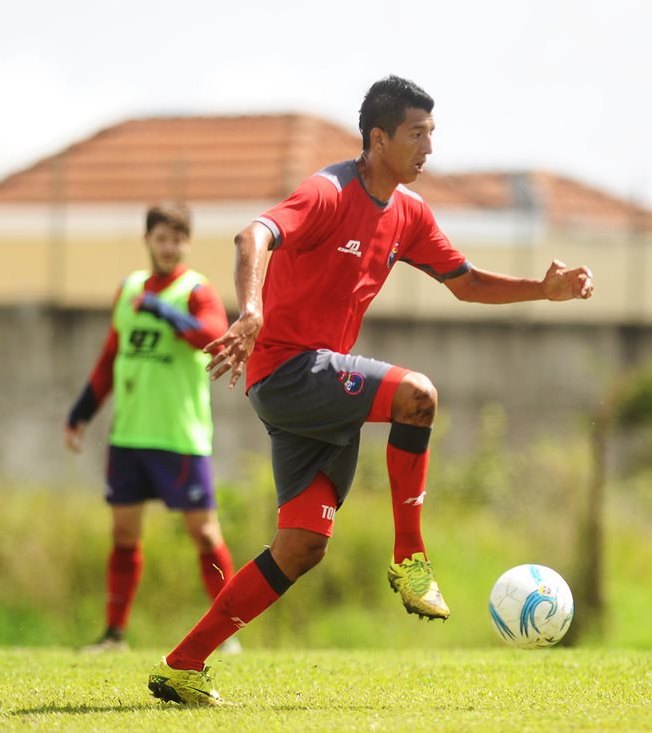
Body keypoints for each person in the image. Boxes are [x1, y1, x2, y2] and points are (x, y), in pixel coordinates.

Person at [147, 76, 593, 705]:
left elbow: (464, 283)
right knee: (418, 395)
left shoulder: (408, 213)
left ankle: (182, 665)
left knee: (301, 547)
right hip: (289, 370)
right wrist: (249, 311)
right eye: (417, 134)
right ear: (378, 138)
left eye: (432, 135)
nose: (428, 149)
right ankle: (410, 556)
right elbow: (253, 236)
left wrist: (540, 291)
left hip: (317, 388)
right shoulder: (328, 192)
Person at [66, 202, 239, 654]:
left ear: (186, 243)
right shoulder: (128, 290)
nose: (168, 247)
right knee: (123, 536)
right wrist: (81, 413)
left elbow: (213, 334)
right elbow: (109, 358)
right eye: (161, 238)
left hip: (181, 437)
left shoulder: (196, 289)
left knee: (204, 534)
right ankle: (114, 635)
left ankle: (229, 633)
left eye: (177, 239)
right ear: (148, 240)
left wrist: (163, 311)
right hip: (129, 436)